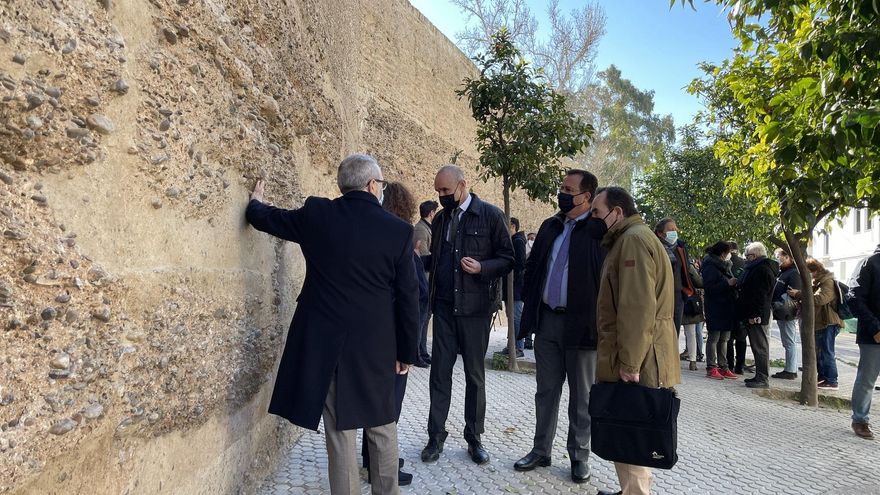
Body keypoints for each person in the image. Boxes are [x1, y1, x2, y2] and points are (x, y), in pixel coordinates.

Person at [245, 154, 419, 495]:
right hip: (376, 345)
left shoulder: (317, 214)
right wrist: (407, 351)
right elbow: (408, 298)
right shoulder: (399, 232)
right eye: (381, 185)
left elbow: (270, 219)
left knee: (339, 431)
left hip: (326, 342)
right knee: (382, 427)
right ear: (372, 185)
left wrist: (254, 205)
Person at [513, 170, 605, 483]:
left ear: (587, 197)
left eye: (569, 189)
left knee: (582, 397)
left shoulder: (598, 232)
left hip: (581, 327)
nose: (562, 193)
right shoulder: (550, 226)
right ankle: (541, 450)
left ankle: (579, 457)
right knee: (546, 392)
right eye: (561, 187)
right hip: (548, 321)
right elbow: (534, 265)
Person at [421, 165, 514, 465]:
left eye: (445, 191)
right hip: (445, 309)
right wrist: (419, 261)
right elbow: (439, 259)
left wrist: (483, 268)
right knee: (439, 375)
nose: (441, 197)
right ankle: (435, 437)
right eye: (438, 192)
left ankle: (474, 437)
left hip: (475, 311)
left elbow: (509, 258)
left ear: (462, 185)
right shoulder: (440, 220)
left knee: (475, 376)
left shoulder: (490, 215)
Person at [591, 187, 680, 495]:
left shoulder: (631, 241)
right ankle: (630, 490)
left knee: (629, 430)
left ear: (617, 212)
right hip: (640, 351)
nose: (595, 220)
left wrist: (629, 363)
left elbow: (636, 307)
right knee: (629, 430)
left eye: (597, 213)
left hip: (636, 357)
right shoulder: (634, 238)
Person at [358, 182, 427, 486]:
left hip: (370, 336)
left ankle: (372, 460)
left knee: (376, 404)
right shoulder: (401, 240)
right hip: (392, 340)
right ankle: (381, 468)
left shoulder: (372, 237)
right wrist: (407, 351)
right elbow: (411, 298)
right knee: (387, 408)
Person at [788, 257, 843, 391]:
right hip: (820, 322)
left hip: (828, 322)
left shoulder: (827, 282)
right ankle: (823, 378)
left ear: (815, 271)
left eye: (808, 272)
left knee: (826, 352)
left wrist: (799, 294)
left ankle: (831, 380)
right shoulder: (818, 282)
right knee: (819, 352)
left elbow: (820, 299)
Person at [848, 244, 880, 440]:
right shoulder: (869, 263)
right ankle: (860, 420)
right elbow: (854, 298)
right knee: (867, 379)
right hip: (874, 334)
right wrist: (875, 327)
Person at [735, 242, 777, 389]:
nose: (746, 258)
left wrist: (755, 315)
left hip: (757, 315)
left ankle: (762, 377)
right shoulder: (757, 268)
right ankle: (759, 375)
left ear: (756, 255)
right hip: (753, 313)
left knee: (760, 346)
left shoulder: (762, 270)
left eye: (748, 256)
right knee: (757, 346)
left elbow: (760, 296)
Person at [701, 241, 740, 380]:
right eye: (729, 252)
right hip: (715, 306)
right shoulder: (710, 266)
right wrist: (727, 283)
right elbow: (709, 287)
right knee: (714, 337)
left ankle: (724, 366)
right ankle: (711, 367)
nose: (731, 254)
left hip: (727, 306)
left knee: (725, 338)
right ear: (723, 253)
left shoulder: (726, 265)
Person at [654, 219, 698, 336]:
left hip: (678, 294)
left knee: (675, 331)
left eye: (675, 229)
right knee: (660, 332)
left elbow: (687, 270)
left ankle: (672, 354)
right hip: (660, 294)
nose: (674, 232)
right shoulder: (654, 247)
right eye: (670, 229)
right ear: (660, 233)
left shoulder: (681, 248)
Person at [413, 200, 438, 367]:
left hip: (428, 282)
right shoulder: (421, 230)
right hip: (423, 282)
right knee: (421, 318)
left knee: (426, 316)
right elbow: (422, 258)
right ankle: (416, 354)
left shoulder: (426, 228)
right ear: (431, 213)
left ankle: (422, 351)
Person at [771, 248, 802, 380]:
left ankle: (791, 370)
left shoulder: (794, 273)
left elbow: (794, 293)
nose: (778, 258)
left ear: (788, 257)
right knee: (787, 341)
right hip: (781, 312)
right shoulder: (783, 272)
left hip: (787, 312)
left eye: (779, 256)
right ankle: (789, 368)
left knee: (789, 341)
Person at [500, 217, 527, 357]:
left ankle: (518, 347)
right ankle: (511, 345)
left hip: (515, 288)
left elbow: (520, 264)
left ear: (512, 226)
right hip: (510, 287)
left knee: (516, 318)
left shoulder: (518, 242)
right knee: (511, 317)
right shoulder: (513, 241)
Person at [681, 258, 705, 371]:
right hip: (688, 302)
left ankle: (670, 359)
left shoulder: (665, 258)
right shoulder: (688, 265)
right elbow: (699, 282)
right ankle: (692, 361)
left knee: (671, 332)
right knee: (691, 333)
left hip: (671, 300)